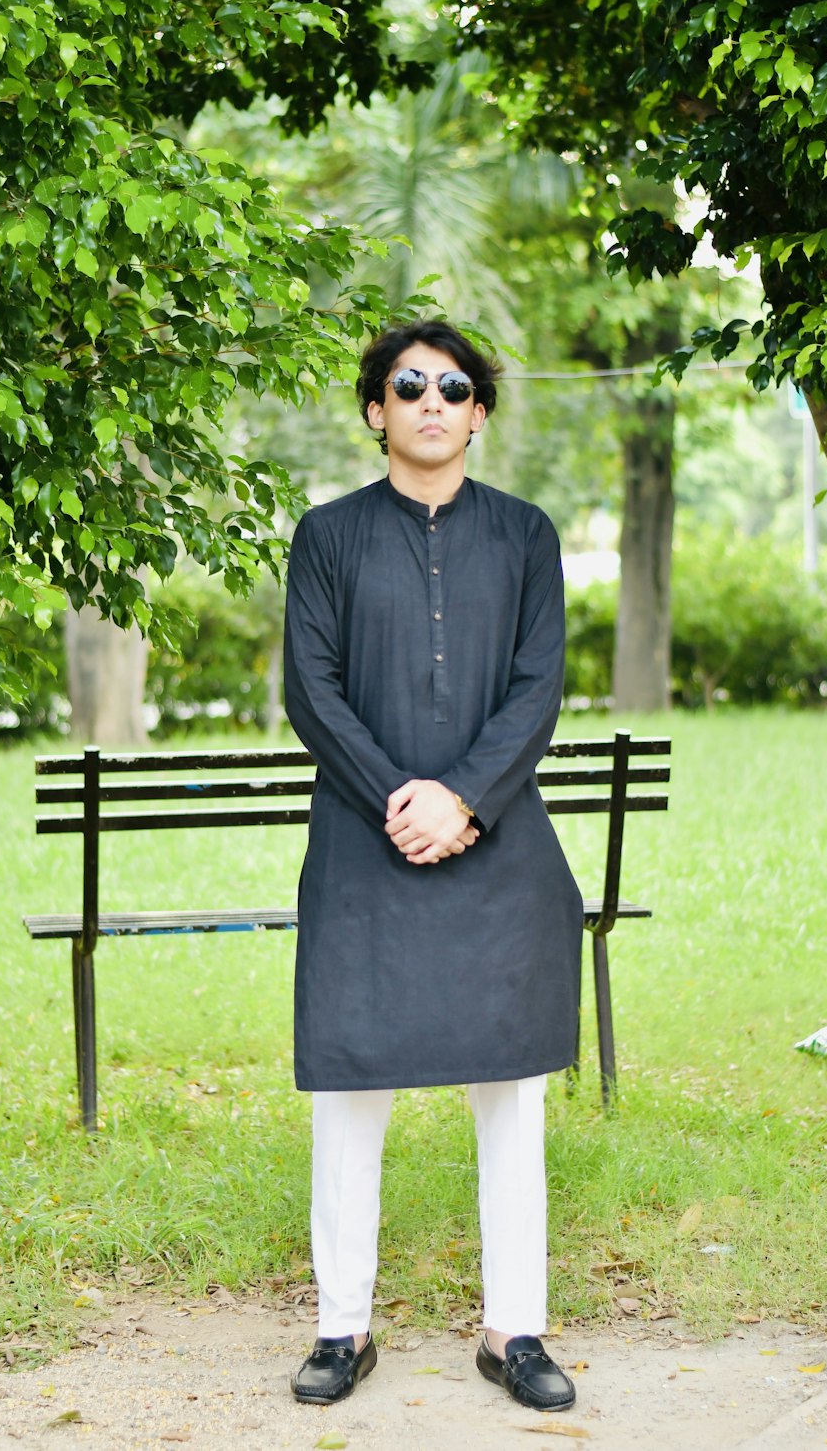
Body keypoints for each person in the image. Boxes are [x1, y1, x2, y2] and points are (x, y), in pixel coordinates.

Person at [282, 320, 583, 1414]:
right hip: (365, 848)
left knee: (509, 1091)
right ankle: (340, 1327)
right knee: (351, 1088)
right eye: (407, 385)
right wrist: (399, 800)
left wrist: (462, 797)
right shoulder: (325, 536)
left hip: (496, 847)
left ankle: (515, 1330)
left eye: (452, 387)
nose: (430, 402)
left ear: (478, 412)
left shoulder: (526, 535)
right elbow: (311, 689)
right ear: (375, 409)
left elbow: (536, 687)